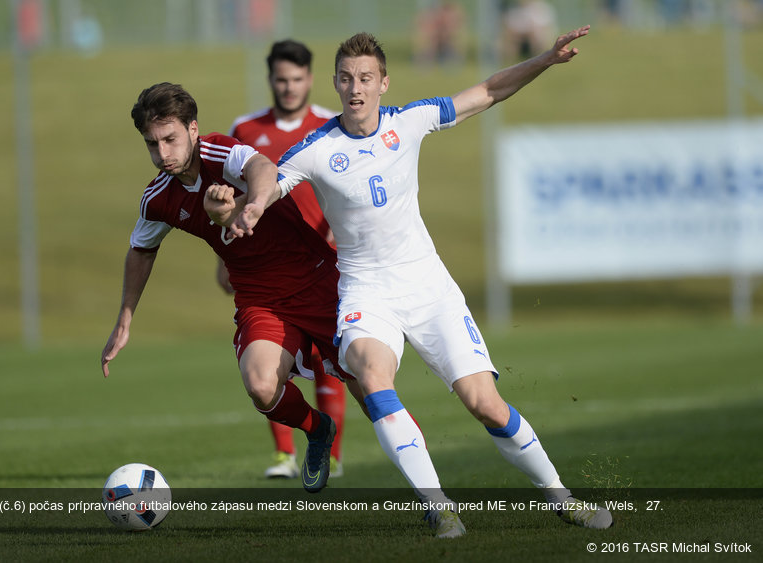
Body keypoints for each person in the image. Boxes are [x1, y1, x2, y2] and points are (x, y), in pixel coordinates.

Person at [224, 26, 614, 538]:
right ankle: (438, 506)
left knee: (484, 404)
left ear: (384, 83)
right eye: (346, 78)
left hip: (430, 290)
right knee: (369, 372)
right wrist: (244, 210)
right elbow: (268, 184)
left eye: (365, 77)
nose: (355, 87)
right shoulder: (316, 148)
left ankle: (561, 498)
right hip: (366, 294)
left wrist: (544, 58)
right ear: (336, 85)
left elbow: (489, 91)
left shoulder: (409, 122)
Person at [100, 82, 345, 494]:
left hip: (317, 276)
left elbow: (262, 168)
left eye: (170, 139)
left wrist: (251, 206)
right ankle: (318, 430)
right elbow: (141, 250)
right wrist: (125, 320)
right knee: (262, 386)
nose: (163, 154)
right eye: (152, 143)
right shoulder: (159, 198)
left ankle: (431, 496)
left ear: (193, 130)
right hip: (260, 299)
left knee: (367, 383)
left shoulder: (219, 152)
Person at [226, 39, 346, 480]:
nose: (289, 86)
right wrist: (227, 257)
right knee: (273, 359)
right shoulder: (246, 128)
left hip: (328, 262)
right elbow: (236, 195)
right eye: (281, 79)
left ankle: (331, 456)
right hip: (267, 267)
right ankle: (284, 455)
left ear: (310, 79)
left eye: (297, 79)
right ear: (270, 79)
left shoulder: (331, 126)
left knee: (331, 362)